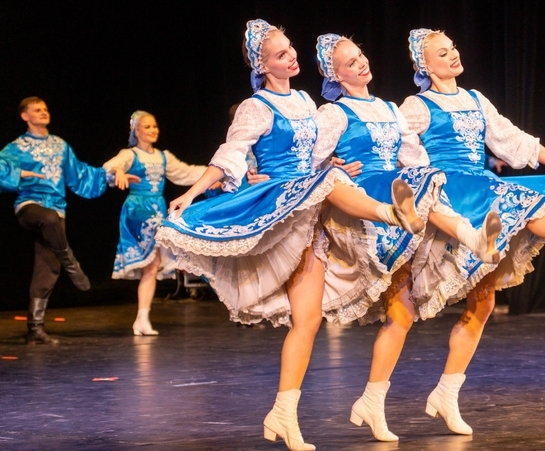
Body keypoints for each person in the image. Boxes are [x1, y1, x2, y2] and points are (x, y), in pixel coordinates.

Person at [154, 20, 424, 451]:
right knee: (333, 185)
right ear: (263, 66)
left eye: (291, 48)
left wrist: (335, 161)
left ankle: (283, 412)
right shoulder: (256, 107)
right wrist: (192, 192)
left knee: (309, 320)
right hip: (282, 205)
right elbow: (230, 155)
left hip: (310, 208)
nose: (292, 56)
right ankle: (392, 213)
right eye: (281, 54)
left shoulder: (304, 100)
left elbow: (317, 154)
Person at [393, 28, 545, 437]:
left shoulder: (476, 99)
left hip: (481, 189)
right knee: (402, 308)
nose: (453, 55)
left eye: (453, 48)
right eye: (443, 53)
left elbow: (509, 138)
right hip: (450, 192)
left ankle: (446, 393)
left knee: (484, 302)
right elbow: (389, 141)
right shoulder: (417, 106)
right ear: (426, 66)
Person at [311, 34, 502, 442]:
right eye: (350, 62)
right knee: (400, 312)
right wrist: (333, 164)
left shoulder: (389, 109)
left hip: (407, 209)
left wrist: (439, 185)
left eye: (361, 56)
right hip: (369, 213)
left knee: (445, 306)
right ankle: (372, 401)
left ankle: (429, 395)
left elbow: (414, 159)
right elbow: (307, 160)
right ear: (336, 75)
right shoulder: (333, 114)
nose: (361, 64)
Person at [0, 97, 138, 344]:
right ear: (25, 116)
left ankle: (35, 330)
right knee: (48, 217)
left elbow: (81, 175)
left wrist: (110, 177)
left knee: (49, 269)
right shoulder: (16, 147)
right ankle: (71, 262)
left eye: (45, 109)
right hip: (30, 206)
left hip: (56, 209)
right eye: (37, 110)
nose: (43, 112)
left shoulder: (59, 145)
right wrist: (19, 172)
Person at [103, 111, 208, 335]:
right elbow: (109, 167)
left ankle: (142, 318)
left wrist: (215, 173)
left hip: (157, 208)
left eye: (155, 126)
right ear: (136, 131)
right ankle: (141, 318)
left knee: (152, 266)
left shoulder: (163, 157)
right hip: (138, 210)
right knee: (152, 262)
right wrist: (118, 171)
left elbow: (187, 172)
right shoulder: (130, 154)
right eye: (147, 127)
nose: (153, 130)